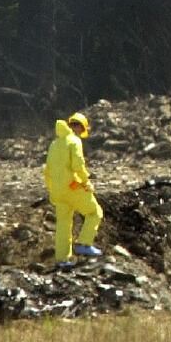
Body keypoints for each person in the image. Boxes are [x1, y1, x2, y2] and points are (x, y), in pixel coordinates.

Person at [43, 112, 104, 269]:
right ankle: (84, 243)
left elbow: (48, 170)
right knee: (94, 212)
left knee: (63, 223)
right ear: (79, 127)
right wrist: (86, 181)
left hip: (58, 191)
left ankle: (62, 259)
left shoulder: (54, 144)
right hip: (73, 187)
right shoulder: (74, 141)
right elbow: (78, 165)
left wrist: (52, 190)